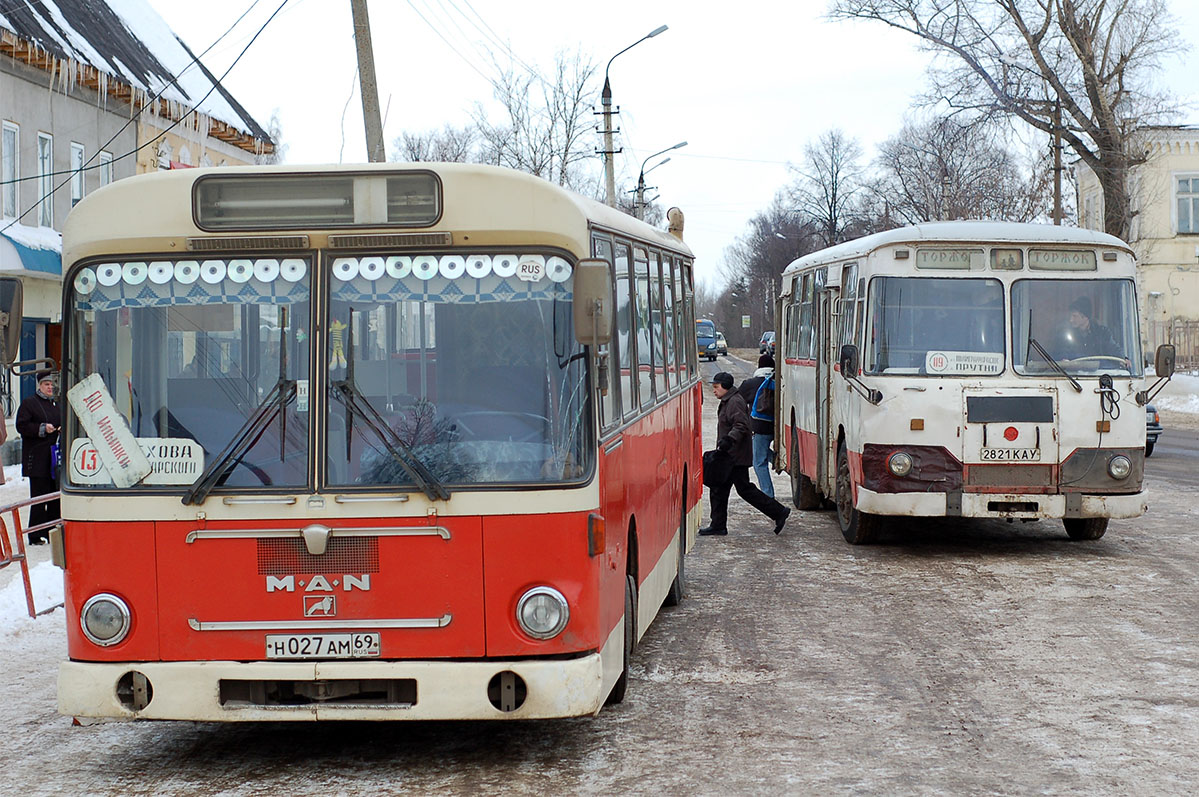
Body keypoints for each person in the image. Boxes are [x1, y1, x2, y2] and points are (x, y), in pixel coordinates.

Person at [700, 371, 791, 537]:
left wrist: (729, 440)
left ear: (726, 387)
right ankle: (718, 525)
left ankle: (779, 512)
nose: (714, 390)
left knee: (744, 490)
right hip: (730, 455)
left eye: (716, 387)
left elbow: (742, 425)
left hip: (734, 457)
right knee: (719, 489)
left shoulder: (734, 402)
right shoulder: (729, 400)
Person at [16, 370, 61, 545]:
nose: (50, 387)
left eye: (51, 384)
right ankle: (35, 535)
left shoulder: (55, 405)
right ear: (39, 386)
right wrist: (42, 428)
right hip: (37, 459)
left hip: (53, 459)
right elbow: (22, 425)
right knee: (39, 497)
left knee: (54, 497)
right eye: (46, 384)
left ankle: (52, 531)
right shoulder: (29, 403)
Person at [737, 354, 776, 497]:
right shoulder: (779, 381)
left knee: (758, 461)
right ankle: (778, 459)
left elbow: (738, 402)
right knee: (761, 451)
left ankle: (767, 495)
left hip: (760, 427)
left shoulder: (750, 384)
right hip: (779, 427)